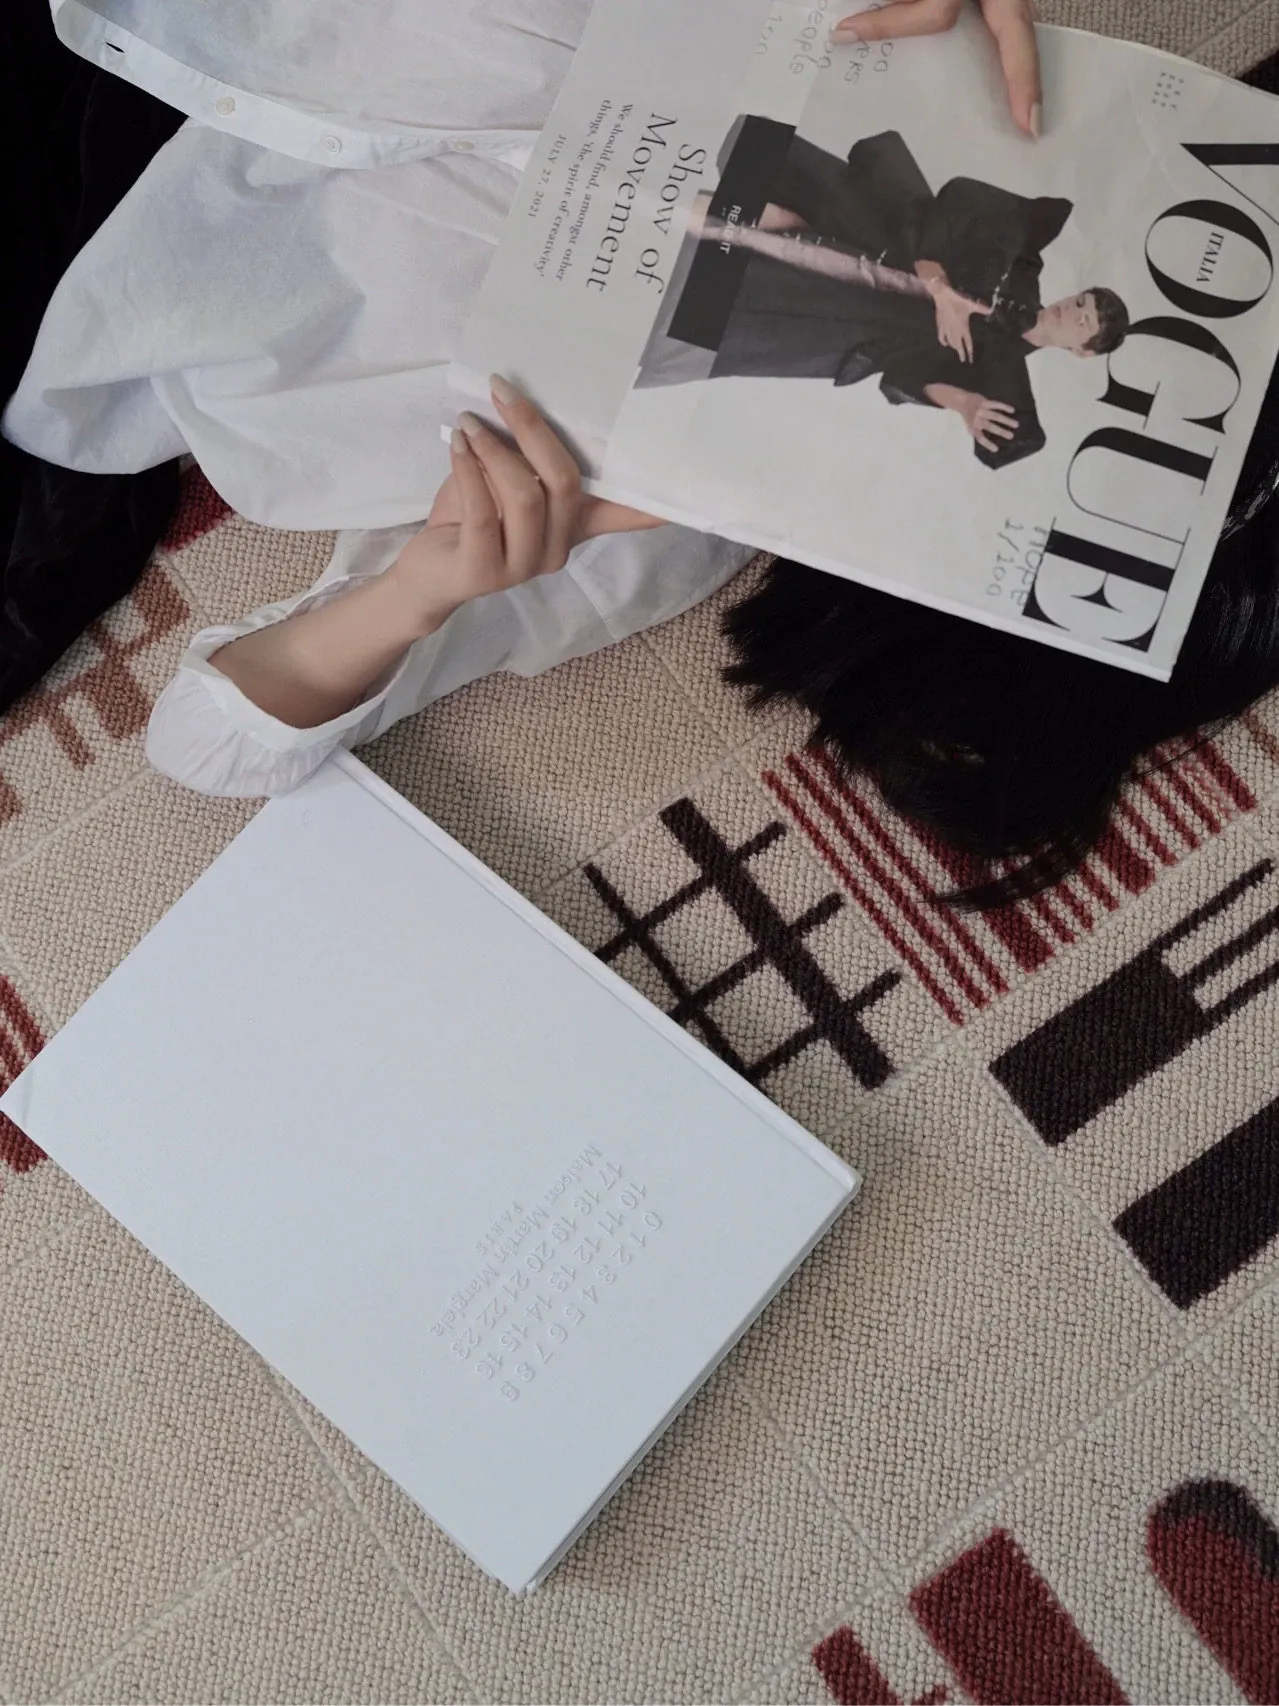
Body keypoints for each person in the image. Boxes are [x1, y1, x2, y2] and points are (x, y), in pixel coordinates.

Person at [640, 122, 1130, 468]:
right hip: (877, 229)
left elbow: (910, 378)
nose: (1071, 311)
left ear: (1081, 351)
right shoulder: (1023, 263)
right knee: (764, 212)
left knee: (723, 296)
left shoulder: (1004, 372)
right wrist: (942, 290)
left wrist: (964, 404)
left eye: (1082, 322)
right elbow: (963, 198)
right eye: (1081, 301)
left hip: (845, 316)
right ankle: (637, 203)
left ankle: (633, 268)